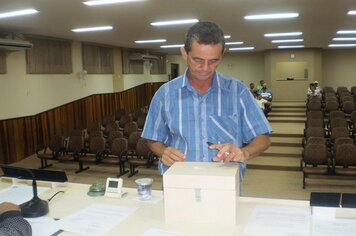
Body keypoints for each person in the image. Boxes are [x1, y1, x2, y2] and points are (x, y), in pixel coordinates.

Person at [141, 21, 272, 185]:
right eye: (198, 60)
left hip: (224, 183)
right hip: (179, 182)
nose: (205, 68)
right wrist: (163, 152)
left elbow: (263, 138)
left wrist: (244, 153)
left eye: (213, 61)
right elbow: (151, 138)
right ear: (184, 53)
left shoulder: (238, 91)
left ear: (222, 55)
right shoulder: (165, 93)